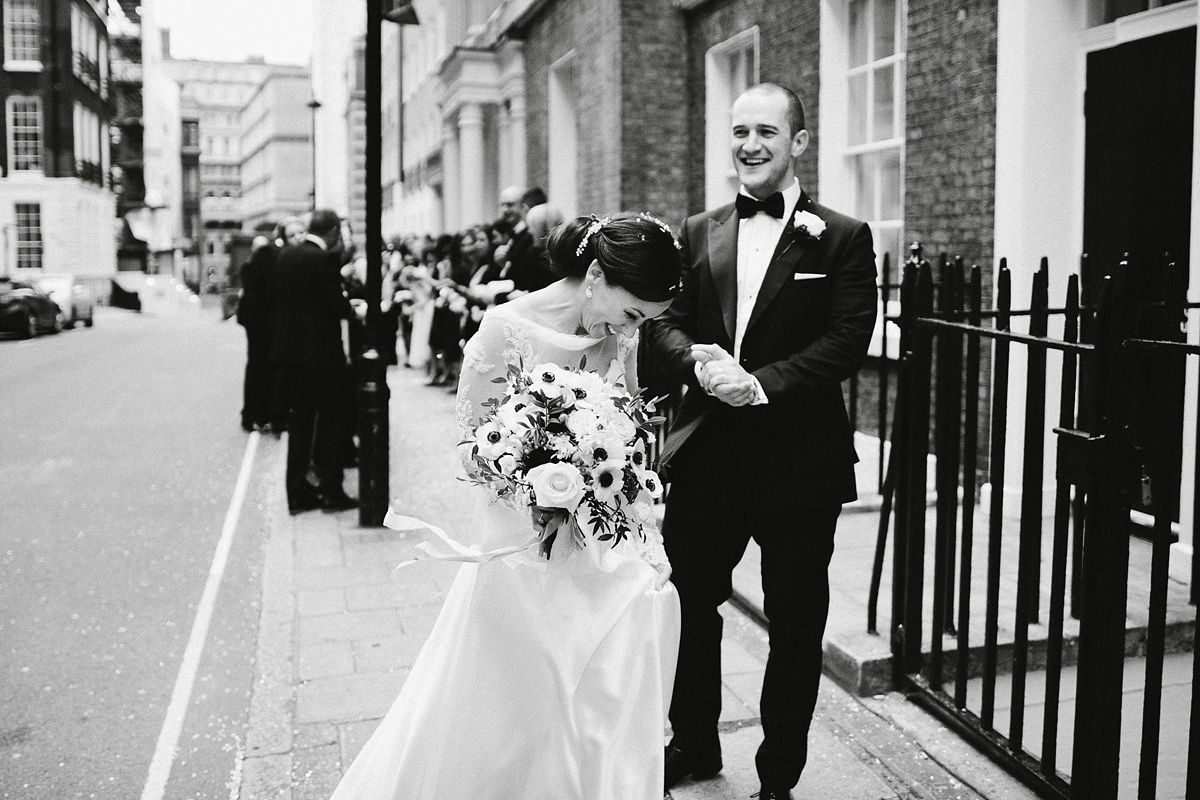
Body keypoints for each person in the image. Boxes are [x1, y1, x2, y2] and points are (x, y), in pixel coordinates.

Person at [329, 212, 685, 800]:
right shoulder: (504, 329)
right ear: (595, 273)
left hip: (591, 540)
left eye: (643, 322)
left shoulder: (621, 337)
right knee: (523, 700)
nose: (629, 330)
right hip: (519, 547)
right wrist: (536, 478)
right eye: (630, 314)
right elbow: (471, 451)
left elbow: (623, 440)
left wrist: (647, 535)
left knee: (607, 675)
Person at [645, 83, 877, 800]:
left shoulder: (841, 236)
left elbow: (846, 341)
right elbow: (664, 321)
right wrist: (698, 365)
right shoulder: (696, 227)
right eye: (740, 131)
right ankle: (693, 742)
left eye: (767, 132)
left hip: (800, 463)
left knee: (796, 623)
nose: (750, 144)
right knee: (688, 604)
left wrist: (762, 383)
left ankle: (779, 778)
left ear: (798, 143)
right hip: (709, 455)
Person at [269, 209, 361, 515]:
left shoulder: (285, 255)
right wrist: (353, 310)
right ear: (333, 231)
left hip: (291, 356)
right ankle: (332, 492)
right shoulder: (322, 259)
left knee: (301, 424)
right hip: (321, 357)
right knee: (332, 421)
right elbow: (333, 305)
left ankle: (297, 495)